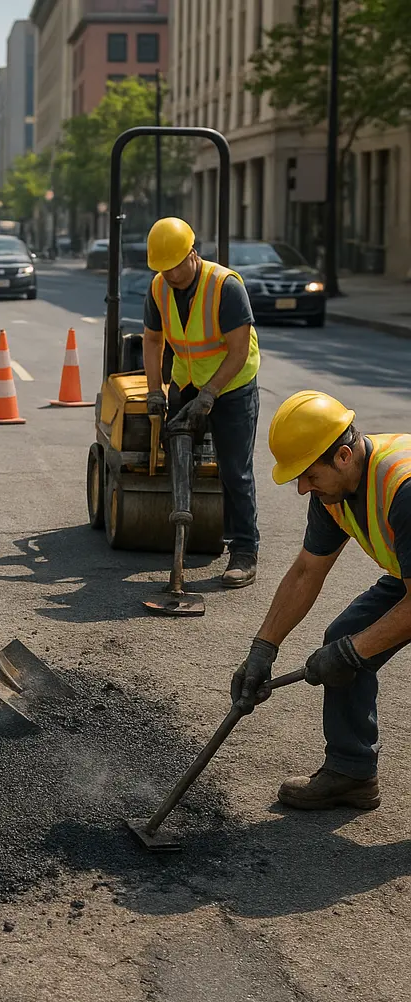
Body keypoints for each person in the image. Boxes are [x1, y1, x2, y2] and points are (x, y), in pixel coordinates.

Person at [232, 390, 411, 811]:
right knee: (346, 634)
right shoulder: (334, 493)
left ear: (343, 456)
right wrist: (263, 649)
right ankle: (352, 772)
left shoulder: (403, 489)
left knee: (350, 648)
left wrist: (351, 653)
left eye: (309, 475)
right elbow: (306, 572)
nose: (301, 488)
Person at [142, 217, 261, 587]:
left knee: (234, 470)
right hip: (187, 380)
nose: (171, 275)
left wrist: (210, 394)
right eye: (164, 268)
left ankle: (244, 549)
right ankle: (186, 534)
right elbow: (152, 340)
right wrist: (154, 390)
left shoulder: (225, 286)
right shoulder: (159, 287)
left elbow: (239, 351)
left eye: (177, 265)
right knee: (177, 456)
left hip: (232, 384)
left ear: (193, 253)